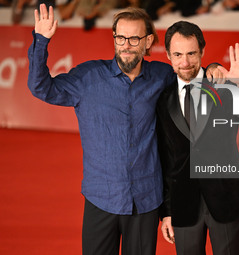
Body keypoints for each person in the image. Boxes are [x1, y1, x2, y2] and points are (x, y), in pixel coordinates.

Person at [27, 5, 227, 255]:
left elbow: (188, 71)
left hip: (145, 201)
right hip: (101, 197)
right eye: (120, 38)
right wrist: (41, 40)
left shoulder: (161, 76)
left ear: (148, 41)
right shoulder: (88, 77)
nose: (126, 45)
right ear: (114, 38)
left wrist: (212, 68)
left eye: (134, 38)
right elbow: (40, 87)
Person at [157, 21, 239, 255]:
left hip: (226, 198)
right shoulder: (162, 100)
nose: (185, 62)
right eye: (177, 54)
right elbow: (165, 158)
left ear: (202, 52)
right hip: (183, 205)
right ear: (168, 55)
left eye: (191, 53)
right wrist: (166, 211)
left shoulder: (223, 85)